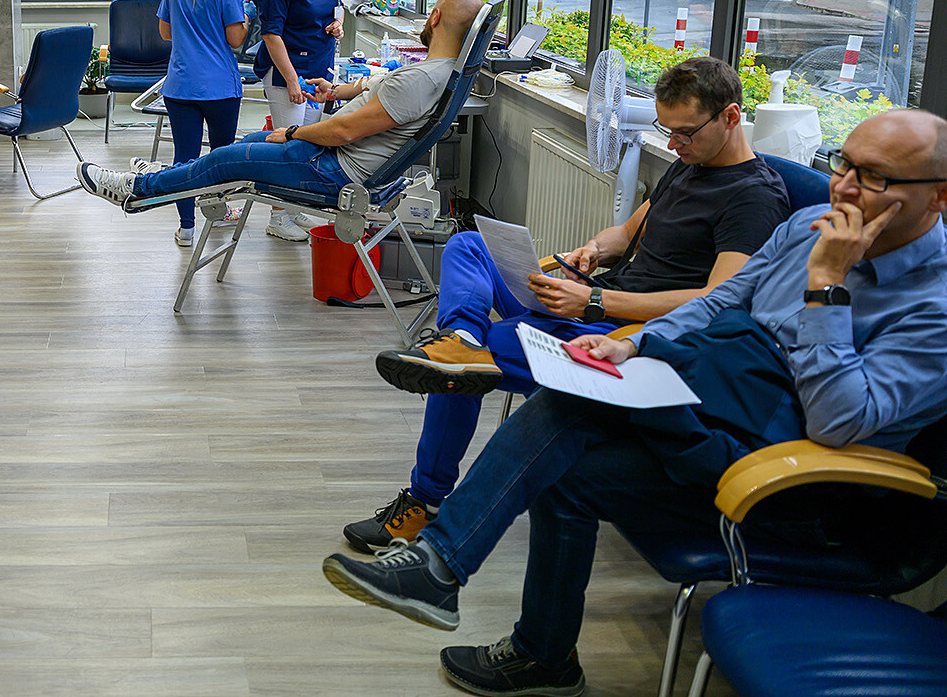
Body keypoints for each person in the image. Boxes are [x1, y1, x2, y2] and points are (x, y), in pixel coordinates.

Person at [321, 109, 947, 697]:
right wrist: (634, 344)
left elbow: (838, 425)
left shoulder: (932, 304)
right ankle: (527, 643)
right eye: (843, 164)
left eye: (874, 177)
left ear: (939, 196)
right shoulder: (808, 227)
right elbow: (721, 303)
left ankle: (447, 571)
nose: (844, 189)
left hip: (793, 480)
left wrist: (827, 290)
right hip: (721, 412)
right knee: (569, 435)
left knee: (562, 421)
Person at [343, 56, 790, 554]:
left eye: (684, 133)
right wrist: (592, 252)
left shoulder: (754, 198)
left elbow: (718, 302)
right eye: (667, 131)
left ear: (731, 117)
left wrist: (595, 299)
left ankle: (425, 498)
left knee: (473, 361)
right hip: (593, 305)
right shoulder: (690, 166)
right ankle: (461, 338)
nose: (672, 145)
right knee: (469, 246)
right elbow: (627, 233)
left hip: (623, 337)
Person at [78, 0, 482, 214]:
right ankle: (172, 175)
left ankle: (135, 189)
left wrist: (291, 132)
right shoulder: (439, 73)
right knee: (239, 147)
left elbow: (344, 130)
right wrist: (337, 91)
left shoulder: (418, 79)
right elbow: (377, 95)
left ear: (433, 18)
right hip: (330, 157)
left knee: (223, 161)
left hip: (332, 169)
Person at [252, 0, 345, 241]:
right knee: (287, 145)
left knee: (307, 142)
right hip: (286, 72)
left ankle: (293, 208)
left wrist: (338, 24)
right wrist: (292, 80)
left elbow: (337, 7)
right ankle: (277, 216)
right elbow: (271, 34)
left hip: (319, 69)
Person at [154, 0, 248, 247]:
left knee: (184, 160)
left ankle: (186, 229)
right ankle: (217, 214)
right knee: (219, 157)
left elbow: (165, 33)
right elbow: (235, 39)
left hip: (181, 87)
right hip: (220, 88)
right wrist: (246, 16)